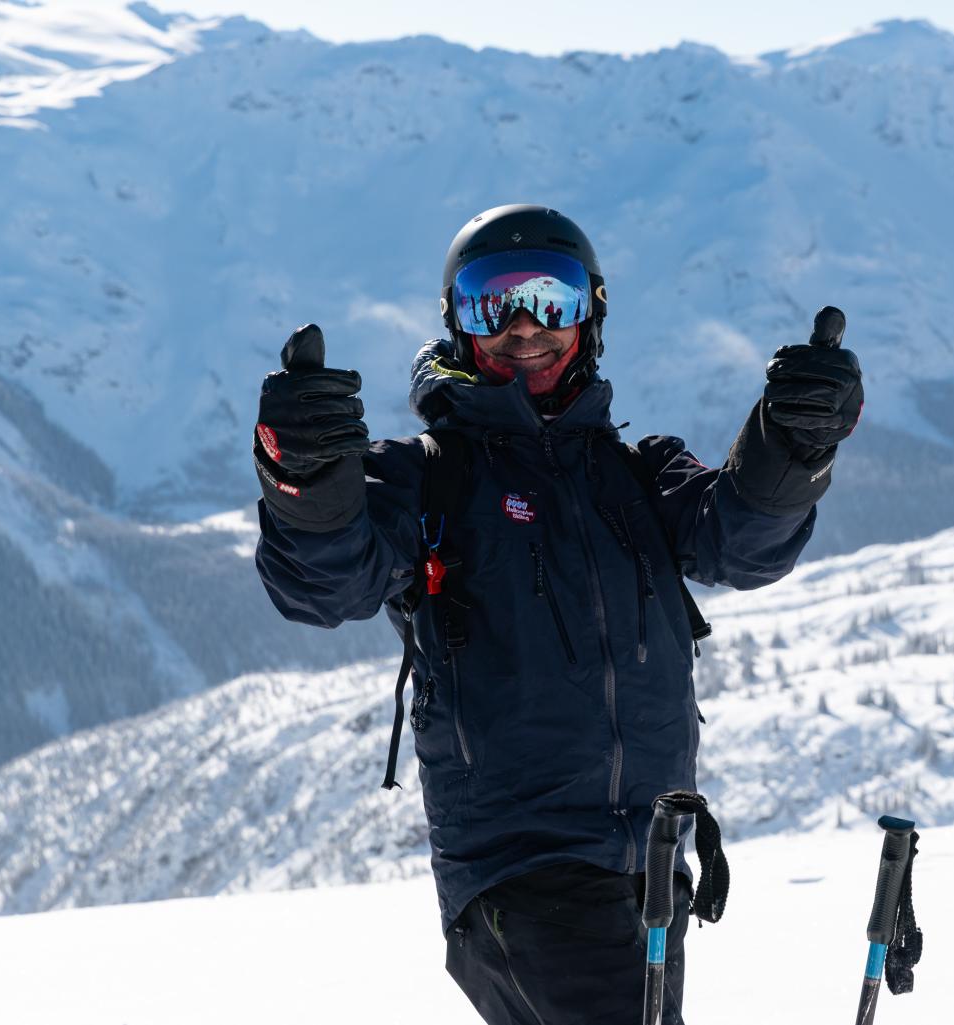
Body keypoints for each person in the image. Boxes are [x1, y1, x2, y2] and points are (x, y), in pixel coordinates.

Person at [251, 205, 862, 1024]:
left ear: (591, 313)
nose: (524, 326)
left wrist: (793, 446)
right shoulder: (427, 478)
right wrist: (307, 483)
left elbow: (742, 544)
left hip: (649, 867)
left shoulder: (635, 474)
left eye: (551, 299)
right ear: (459, 325)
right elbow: (325, 584)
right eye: (493, 303)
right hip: (519, 871)